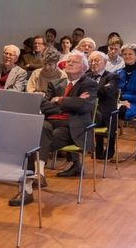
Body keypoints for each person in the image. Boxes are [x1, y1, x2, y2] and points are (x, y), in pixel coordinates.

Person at [28, 52, 97, 194]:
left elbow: (85, 106)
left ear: (84, 68)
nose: (69, 63)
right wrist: (73, 102)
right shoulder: (55, 84)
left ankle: (29, 183)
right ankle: (38, 174)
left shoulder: (90, 84)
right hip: (51, 121)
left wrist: (60, 100)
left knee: (35, 141)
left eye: (74, 62)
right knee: (40, 128)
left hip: (72, 126)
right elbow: (44, 106)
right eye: (68, 61)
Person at [87, 51, 120, 160]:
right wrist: (100, 88)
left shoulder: (112, 77)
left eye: (96, 60)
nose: (93, 63)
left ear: (105, 63)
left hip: (105, 111)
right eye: (91, 61)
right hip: (88, 109)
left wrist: (90, 89)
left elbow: (107, 92)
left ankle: (109, 148)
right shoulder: (86, 75)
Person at [116, 43, 136, 121]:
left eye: (130, 54)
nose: (127, 56)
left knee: (121, 113)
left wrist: (121, 97)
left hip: (134, 104)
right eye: (125, 54)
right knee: (107, 112)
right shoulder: (117, 73)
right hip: (118, 102)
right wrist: (120, 100)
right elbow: (114, 92)